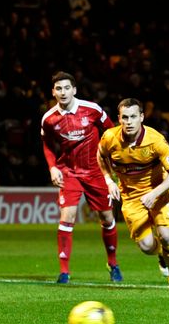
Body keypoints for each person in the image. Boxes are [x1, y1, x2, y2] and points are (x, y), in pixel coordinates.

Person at [97, 98, 169, 292]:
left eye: (133, 117)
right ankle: (162, 253)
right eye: (125, 117)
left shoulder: (156, 140)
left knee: (167, 235)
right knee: (146, 247)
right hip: (131, 197)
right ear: (119, 119)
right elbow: (100, 155)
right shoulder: (109, 138)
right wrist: (109, 180)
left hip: (159, 191)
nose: (129, 122)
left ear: (142, 118)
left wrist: (155, 193)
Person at [41, 71, 121, 284]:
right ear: (53, 92)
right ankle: (64, 271)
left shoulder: (92, 110)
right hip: (69, 172)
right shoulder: (49, 119)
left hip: (96, 172)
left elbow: (112, 133)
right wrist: (52, 167)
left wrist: (111, 167)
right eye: (59, 89)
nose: (63, 92)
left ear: (74, 90)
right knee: (67, 217)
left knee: (107, 218)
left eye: (67, 88)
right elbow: (47, 145)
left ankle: (112, 263)